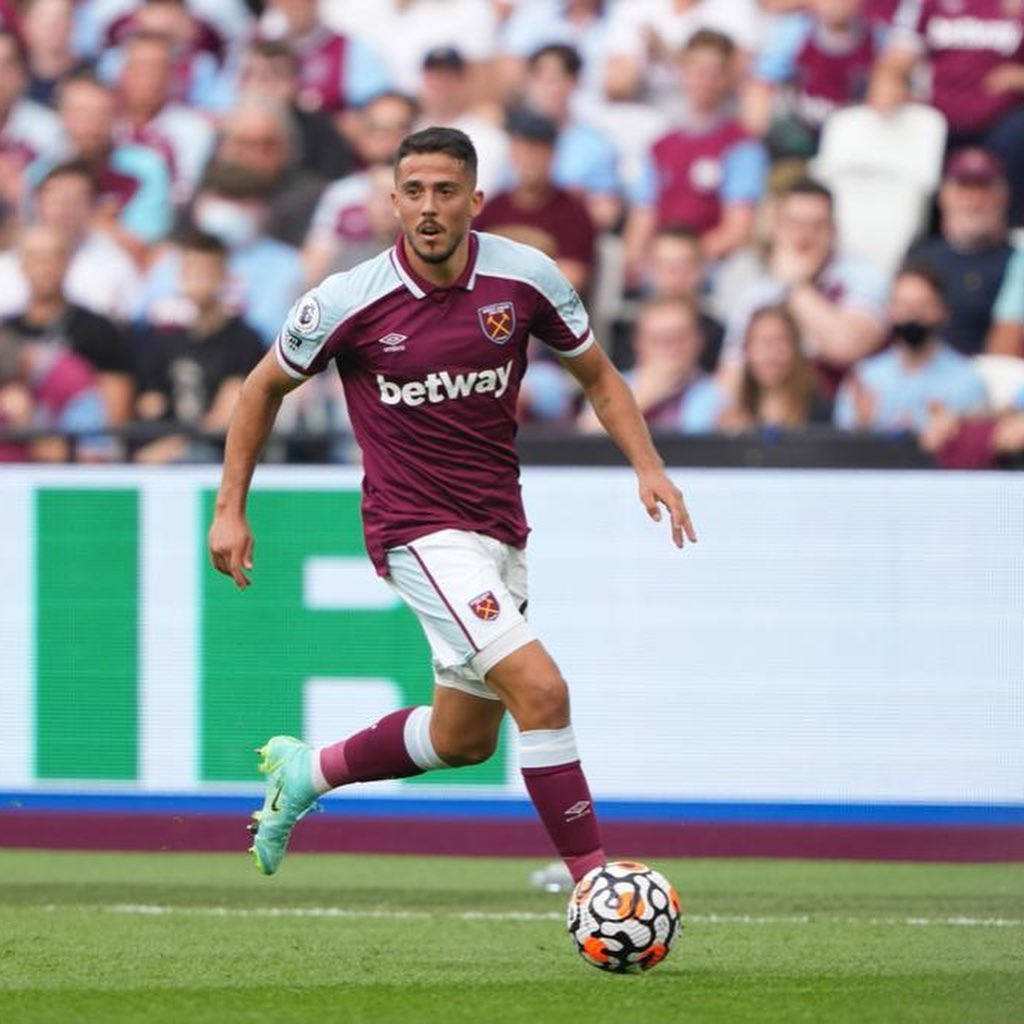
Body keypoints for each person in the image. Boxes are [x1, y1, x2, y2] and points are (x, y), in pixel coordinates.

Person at [207, 126, 695, 882]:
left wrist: (649, 467)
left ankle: (308, 773)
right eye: (413, 192)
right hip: (415, 531)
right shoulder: (348, 298)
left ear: (475, 199)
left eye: (443, 191)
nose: (428, 208)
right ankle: (596, 881)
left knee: (463, 738)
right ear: (394, 201)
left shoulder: (524, 278)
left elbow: (598, 375)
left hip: (499, 528)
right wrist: (230, 506)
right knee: (542, 688)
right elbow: (262, 387)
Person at [715, 177, 888, 396]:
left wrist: (795, 285)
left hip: (843, 419)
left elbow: (847, 346)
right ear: (776, 228)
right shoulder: (757, 294)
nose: (804, 236)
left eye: (817, 225)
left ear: (834, 231)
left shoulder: (864, 276)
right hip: (777, 420)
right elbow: (729, 382)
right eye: (794, 224)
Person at [624, 30, 768, 273]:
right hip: (659, 269)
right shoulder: (661, 146)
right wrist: (638, 260)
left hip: (709, 269)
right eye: (695, 70)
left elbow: (737, 229)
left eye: (713, 73)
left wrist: (681, 262)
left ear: (726, 78)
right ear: (683, 74)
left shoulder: (741, 146)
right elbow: (643, 216)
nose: (704, 80)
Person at [869, 0, 1024, 225]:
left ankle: (1014, 233)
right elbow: (897, 59)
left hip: (1004, 121)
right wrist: (888, 82)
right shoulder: (926, 4)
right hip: (940, 121)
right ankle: (919, 233)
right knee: (901, 131)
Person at [133, 230, 265, 464]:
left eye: (205, 272)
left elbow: (226, 419)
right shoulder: (160, 338)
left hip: (216, 455)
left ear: (224, 276)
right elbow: (149, 407)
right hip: (161, 452)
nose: (197, 280)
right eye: (190, 271)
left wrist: (174, 446)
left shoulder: (245, 341)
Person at [4, 222, 134, 423]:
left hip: (76, 445)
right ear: (21, 264)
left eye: (53, 256)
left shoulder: (98, 330)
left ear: (68, 262)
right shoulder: (6, 331)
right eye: (35, 257)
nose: (44, 266)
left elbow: (115, 416)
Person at [834, 263, 988, 431]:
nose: (913, 315)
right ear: (890, 310)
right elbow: (843, 445)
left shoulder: (966, 380)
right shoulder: (865, 378)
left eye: (924, 306)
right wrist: (863, 427)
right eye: (904, 305)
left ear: (943, 311)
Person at [907, 147, 1017, 357]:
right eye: (963, 188)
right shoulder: (920, 255)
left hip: (992, 376)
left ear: (1003, 196)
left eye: (984, 190)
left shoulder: (1016, 263)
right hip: (919, 374)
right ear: (943, 195)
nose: (973, 202)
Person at [473, 108, 596, 293]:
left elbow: (571, 279)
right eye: (522, 149)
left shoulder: (573, 213)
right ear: (511, 153)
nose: (529, 159)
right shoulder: (492, 208)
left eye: (537, 151)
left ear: (552, 155)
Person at [0, 158, 140, 321]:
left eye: (75, 201)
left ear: (92, 206)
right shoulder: (6, 268)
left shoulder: (115, 265)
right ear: (39, 203)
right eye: (57, 200)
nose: (65, 210)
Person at [744, 0, 880, 156]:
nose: (836, 4)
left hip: (852, 130)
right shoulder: (796, 29)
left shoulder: (876, 34)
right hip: (799, 129)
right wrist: (752, 141)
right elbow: (761, 84)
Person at [581, 295, 725, 433]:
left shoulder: (716, 393)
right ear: (638, 343)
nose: (670, 349)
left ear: (699, 340)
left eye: (679, 338)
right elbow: (585, 439)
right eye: (658, 340)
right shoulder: (609, 388)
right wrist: (643, 397)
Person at [520, 43, 622, 231]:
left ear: (572, 83)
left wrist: (571, 203)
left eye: (553, 80)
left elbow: (608, 213)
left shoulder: (596, 145)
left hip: (571, 239)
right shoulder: (514, 140)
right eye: (538, 78)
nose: (545, 89)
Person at [114, 29, 216, 205]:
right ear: (124, 73)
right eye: (141, 68)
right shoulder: (102, 122)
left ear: (173, 76)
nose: (150, 78)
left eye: (159, 68)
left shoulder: (195, 130)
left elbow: (189, 192)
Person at [719, 304, 832, 432]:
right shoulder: (732, 418)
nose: (770, 353)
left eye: (780, 341)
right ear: (747, 350)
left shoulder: (821, 414)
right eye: (762, 342)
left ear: (795, 348)